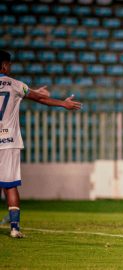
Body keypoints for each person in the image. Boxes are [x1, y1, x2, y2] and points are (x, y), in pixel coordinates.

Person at [0, 49, 82, 238]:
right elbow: (40, 98)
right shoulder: (15, 85)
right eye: (9, 64)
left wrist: (36, 91)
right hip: (9, 141)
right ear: (4, 65)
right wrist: (63, 103)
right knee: (10, 185)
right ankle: (14, 228)